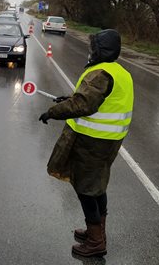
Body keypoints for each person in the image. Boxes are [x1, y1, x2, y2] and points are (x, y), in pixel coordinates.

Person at [38, 29, 134, 258]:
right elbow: (95, 100)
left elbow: (82, 105)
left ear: (101, 50)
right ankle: (98, 232)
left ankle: (96, 242)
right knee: (97, 185)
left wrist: (52, 112)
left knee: (86, 189)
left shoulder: (100, 73)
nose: (90, 51)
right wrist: (68, 98)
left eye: (94, 48)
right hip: (108, 141)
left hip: (93, 142)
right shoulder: (119, 72)